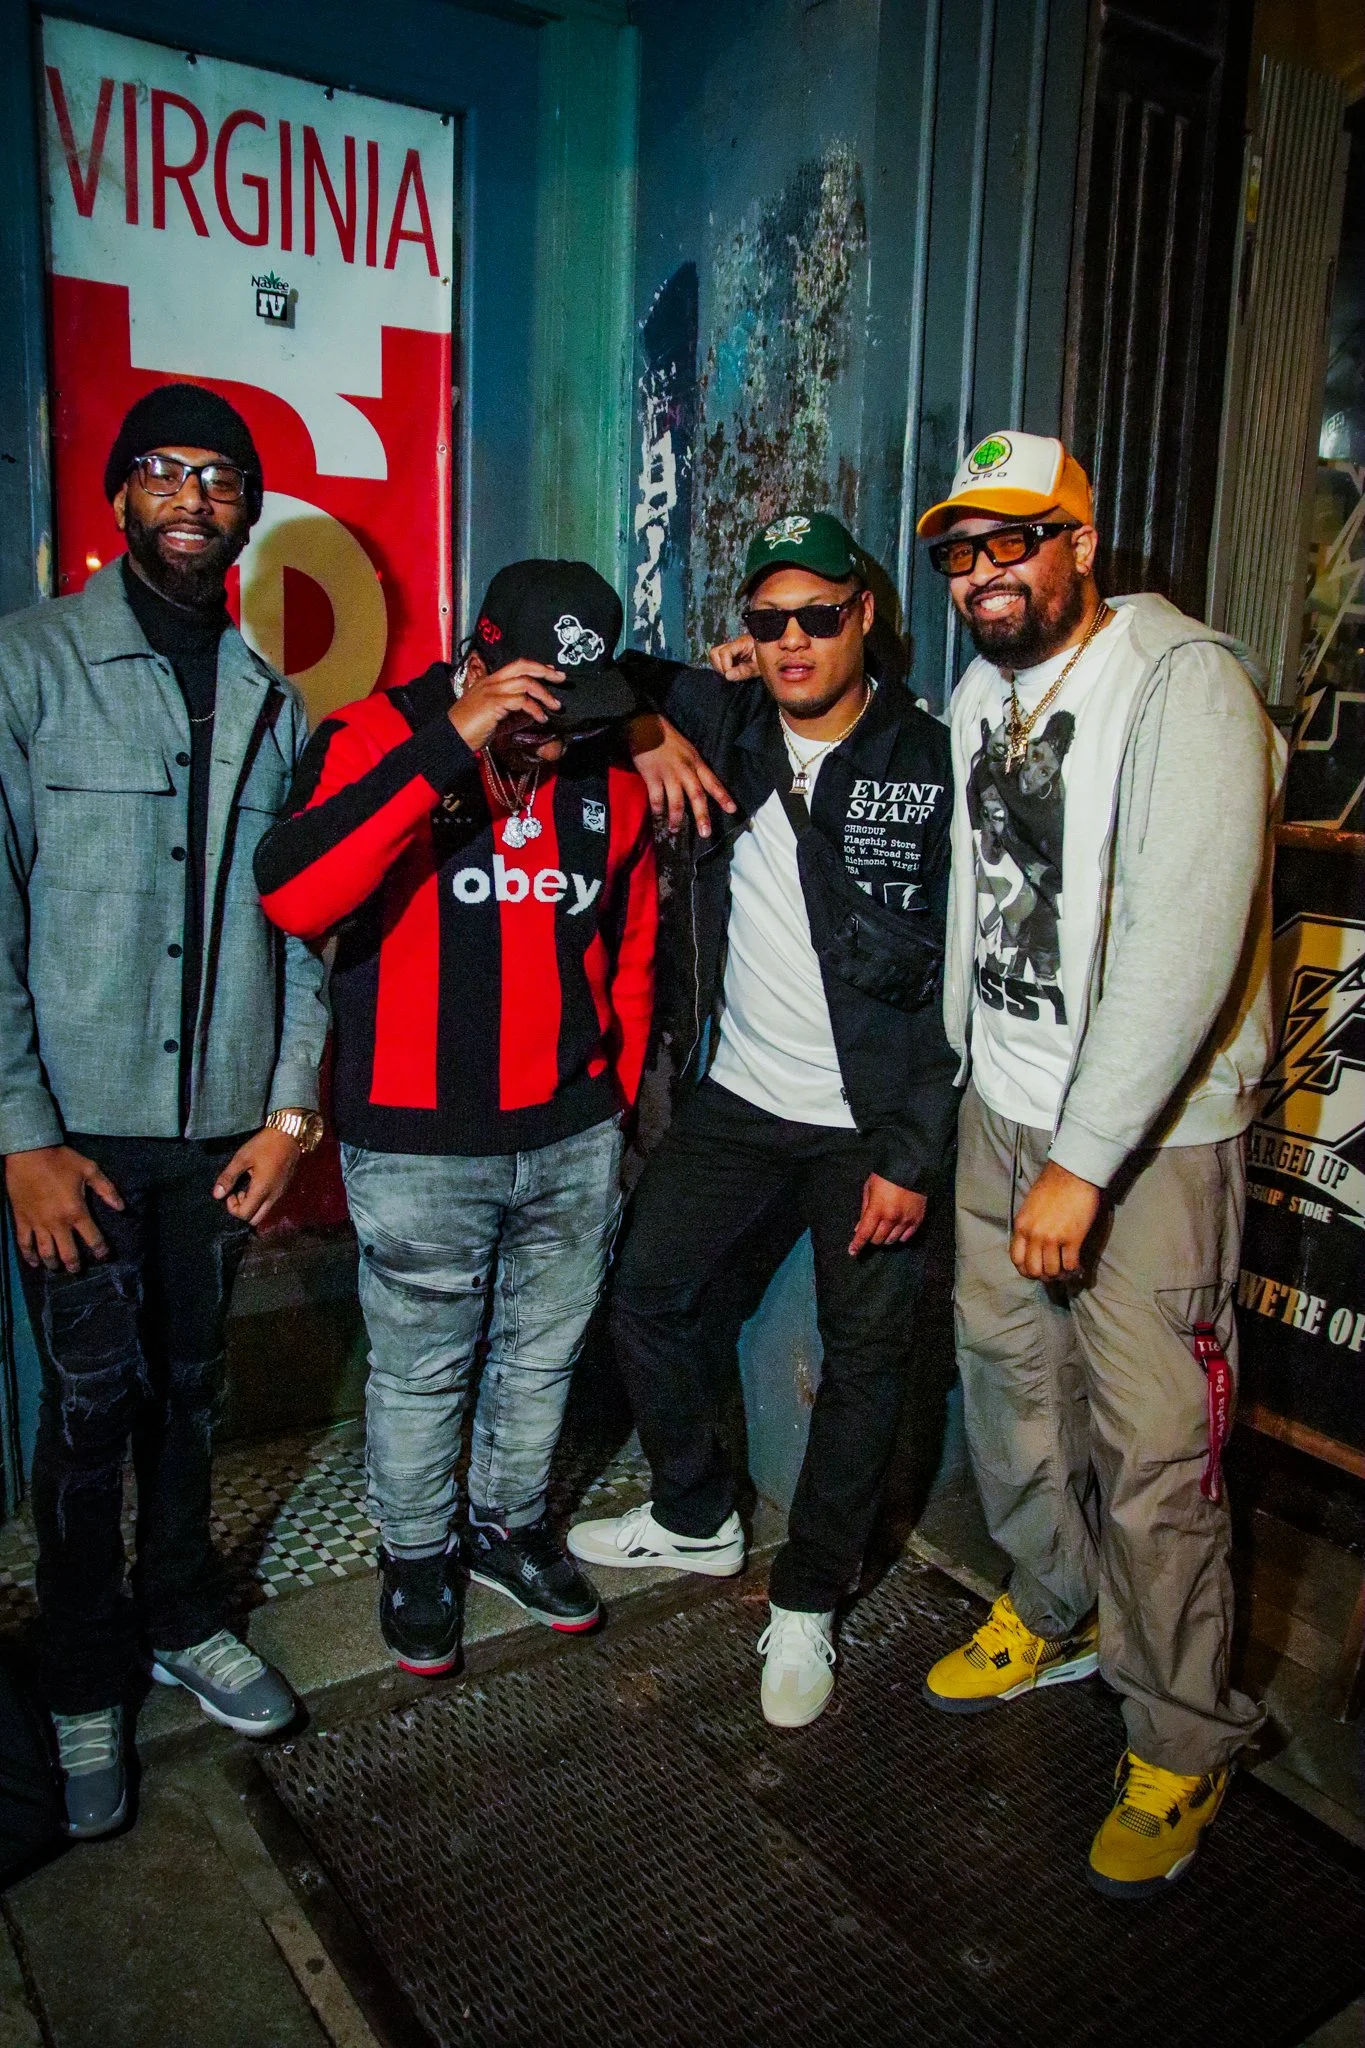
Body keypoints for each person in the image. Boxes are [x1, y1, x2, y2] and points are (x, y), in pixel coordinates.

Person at [916, 430, 1284, 1897]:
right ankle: (1051, 1605)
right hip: (999, 1108)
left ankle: (1184, 1738)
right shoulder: (979, 692)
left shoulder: (1183, 680)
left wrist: (1082, 1159)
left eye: (1016, 541)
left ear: (1081, 539)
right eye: (961, 550)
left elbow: (1187, 943)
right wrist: (970, 1071)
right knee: (1008, 1392)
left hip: (1146, 1141)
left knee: (1152, 1452)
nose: (987, 572)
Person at [0, 384, 329, 1839]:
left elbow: (307, 925)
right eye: (167, 472)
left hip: (221, 1137)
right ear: (120, 499)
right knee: (87, 1417)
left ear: (247, 512)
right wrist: (18, 1135)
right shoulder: (31, 668)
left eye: (221, 478)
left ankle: (184, 1616)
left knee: (194, 1398)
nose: (195, 494)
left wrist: (290, 1113)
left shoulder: (279, 701)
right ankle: (82, 1677)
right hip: (75, 1139)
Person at [568, 511, 957, 1728]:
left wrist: (910, 1149)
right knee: (645, 1290)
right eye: (767, 619)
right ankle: (695, 1513)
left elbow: (970, 969)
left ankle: (807, 1601)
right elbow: (600, 674)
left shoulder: (931, 758)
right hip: (740, 1096)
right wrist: (642, 736)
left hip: (869, 1123)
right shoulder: (727, 717)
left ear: (868, 616)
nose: (790, 640)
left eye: (818, 615)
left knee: (868, 1360)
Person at [256, 561, 657, 1675]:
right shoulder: (371, 734)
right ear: (477, 659)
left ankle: (506, 1525)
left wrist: (610, 1098)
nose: (553, 736)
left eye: (573, 710)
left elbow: (625, 947)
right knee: (422, 1368)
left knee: (541, 1359)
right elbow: (294, 893)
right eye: (532, 704)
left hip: (570, 1134)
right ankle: (418, 1550)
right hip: (420, 1140)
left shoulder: (602, 770)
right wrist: (456, 735)